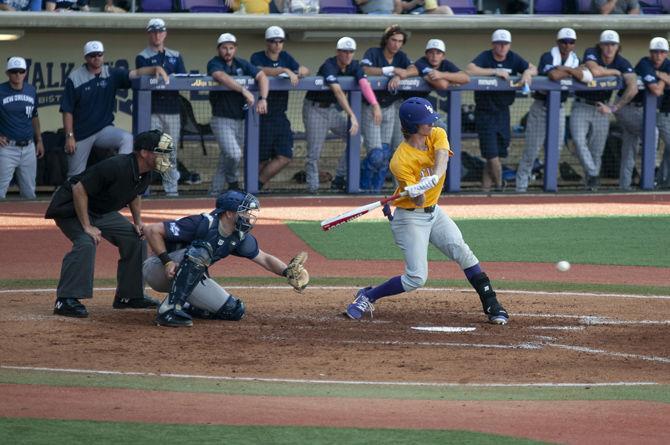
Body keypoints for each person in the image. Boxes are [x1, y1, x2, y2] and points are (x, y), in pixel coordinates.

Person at [345, 97, 508, 325]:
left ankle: (492, 304)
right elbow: (419, 200)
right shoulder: (400, 161)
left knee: (463, 252)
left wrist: (431, 178)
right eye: (426, 122)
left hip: (435, 213)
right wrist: (416, 190)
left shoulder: (437, 134)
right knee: (416, 278)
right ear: (413, 126)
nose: (431, 124)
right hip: (410, 218)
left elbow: (442, 160)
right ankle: (368, 296)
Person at [45, 130, 174, 318]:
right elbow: (78, 188)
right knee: (86, 241)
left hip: (100, 210)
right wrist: (88, 226)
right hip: (71, 208)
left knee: (136, 238)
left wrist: (138, 222)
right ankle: (65, 299)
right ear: (145, 153)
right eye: (161, 152)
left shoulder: (146, 172)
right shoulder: (117, 166)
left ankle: (129, 296)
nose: (165, 157)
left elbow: (135, 193)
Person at [143, 190, 310, 327]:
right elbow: (151, 230)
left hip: (187, 277)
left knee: (233, 310)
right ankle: (169, 309)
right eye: (244, 211)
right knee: (202, 250)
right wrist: (167, 261)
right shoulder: (202, 223)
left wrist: (287, 271)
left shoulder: (237, 236)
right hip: (159, 269)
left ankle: (185, 303)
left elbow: (264, 258)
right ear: (230, 213)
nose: (248, 216)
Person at [60, 40, 169, 178]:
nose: (96, 58)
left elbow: (135, 73)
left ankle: (121, 175)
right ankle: (68, 198)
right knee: (75, 176)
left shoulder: (110, 73)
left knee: (127, 139)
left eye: (99, 54)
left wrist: (154, 69)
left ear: (103, 55)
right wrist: (69, 136)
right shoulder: (75, 78)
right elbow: (67, 110)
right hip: (81, 133)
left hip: (103, 129)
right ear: (86, 57)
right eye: (92, 55)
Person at [303, 37, 380, 194]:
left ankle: (339, 177)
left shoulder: (355, 65)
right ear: (338, 52)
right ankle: (313, 188)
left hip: (332, 110)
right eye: (345, 51)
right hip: (315, 109)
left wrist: (375, 104)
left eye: (351, 52)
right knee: (314, 152)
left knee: (357, 138)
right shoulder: (329, 65)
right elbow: (337, 91)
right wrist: (351, 114)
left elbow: (364, 84)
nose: (348, 55)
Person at [516, 28, 589, 193]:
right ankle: (521, 188)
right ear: (558, 42)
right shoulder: (548, 56)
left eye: (571, 42)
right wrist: (571, 72)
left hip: (560, 108)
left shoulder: (575, 59)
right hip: (541, 106)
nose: (567, 45)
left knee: (555, 149)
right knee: (531, 149)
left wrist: (567, 69)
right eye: (564, 41)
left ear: (574, 44)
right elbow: (553, 76)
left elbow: (586, 76)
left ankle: (550, 186)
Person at [466, 29, 537, 192]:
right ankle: (500, 187)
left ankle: (486, 190)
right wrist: (494, 72)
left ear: (509, 45)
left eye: (505, 44)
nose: (502, 47)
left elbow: (534, 68)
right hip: (485, 112)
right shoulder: (486, 56)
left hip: (503, 112)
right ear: (493, 45)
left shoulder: (513, 57)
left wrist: (527, 72)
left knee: (497, 153)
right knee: (491, 155)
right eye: (499, 44)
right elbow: (469, 69)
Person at [570, 30, 636, 191]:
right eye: (606, 44)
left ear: (618, 46)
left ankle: (591, 187)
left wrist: (614, 108)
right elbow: (595, 71)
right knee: (578, 141)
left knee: (596, 151)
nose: (609, 48)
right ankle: (593, 174)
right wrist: (614, 72)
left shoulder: (622, 61)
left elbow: (633, 87)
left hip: (602, 108)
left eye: (612, 44)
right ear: (600, 45)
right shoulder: (592, 52)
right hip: (582, 105)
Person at [207, 32, 269, 195]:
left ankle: (214, 192)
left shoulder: (242, 63)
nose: (228, 51)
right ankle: (233, 181)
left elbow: (262, 76)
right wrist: (243, 90)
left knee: (226, 157)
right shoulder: (214, 63)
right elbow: (219, 76)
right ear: (218, 49)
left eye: (231, 48)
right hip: (221, 119)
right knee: (234, 154)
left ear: (235, 49)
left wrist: (263, 98)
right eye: (224, 48)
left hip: (241, 119)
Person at [250, 26, 309, 191]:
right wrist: (283, 70)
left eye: (280, 41)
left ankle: (255, 185)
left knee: (285, 156)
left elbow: (302, 69)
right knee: (260, 158)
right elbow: (258, 69)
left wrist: (301, 71)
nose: (277, 44)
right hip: (261, 114)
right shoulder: (257, 56)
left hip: (279, 114)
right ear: (267, 42)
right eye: (273, 41)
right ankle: (252, 189)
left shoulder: (286, 57)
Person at [358, 25, 416, 192]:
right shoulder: (373, 53)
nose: (396, 44)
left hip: (390, 106)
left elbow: (413, 69)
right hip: (371, 106)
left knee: (385, 153)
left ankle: (376, 190)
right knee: (376, 154)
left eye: (399, 41)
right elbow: (364, 69)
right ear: (386, 40)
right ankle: (362, 187)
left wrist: (399, 75)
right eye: (393, 40)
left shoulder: (401, 57)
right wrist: (391, 70)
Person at [136, 18, 187, 197]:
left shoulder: (175, 55)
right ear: (149, 34)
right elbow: (143, 77)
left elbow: (182, 79)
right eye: (153, 31)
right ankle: (144, 189)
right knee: (151, 152)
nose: (157, 35)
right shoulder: (143, 56)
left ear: (165, 33)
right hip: (153, 110)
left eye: (160, 31)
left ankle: (171, 191)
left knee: (170, 151)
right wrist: (156, 70)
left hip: (172, 109)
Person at [616, 37, 670, 190]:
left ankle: (624, 186)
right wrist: (664, 79)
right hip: (626, 107)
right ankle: (650, 177)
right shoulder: (644, 63)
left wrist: (662, 76)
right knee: (651, 132)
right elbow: (656, 91)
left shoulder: (667, 64)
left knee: (629, 146)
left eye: (662, 52)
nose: (658, 56)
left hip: (642, 109)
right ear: (650, 52)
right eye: (655, 52)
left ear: (666, 53)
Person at [0, 57, 44, 200]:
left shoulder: (31, 90)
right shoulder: (1, 90)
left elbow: (34, 116)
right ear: (8, 73)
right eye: (14, 72)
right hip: (7, 147)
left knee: (29, 193)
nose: (17, 75)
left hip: (29, 147)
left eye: (21, 71)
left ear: (25, 73)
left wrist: (39, 140)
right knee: (0, 190)